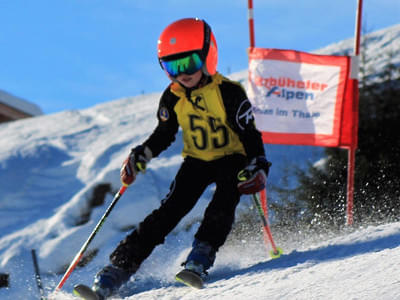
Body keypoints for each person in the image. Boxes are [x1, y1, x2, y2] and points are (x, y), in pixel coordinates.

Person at [91, 17, 271, 299]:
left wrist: (258, 164)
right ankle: (119, 268)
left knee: (224, 199)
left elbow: (250, 135)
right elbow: (164, 134)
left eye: (187, 64)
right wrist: (142, 154)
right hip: (197, 162)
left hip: (232, 158)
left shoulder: (229, 93)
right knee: (169, 211)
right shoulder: (172, 97)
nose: (181, 74)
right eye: (172, 67)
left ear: (207, 57)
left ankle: (201, 255)